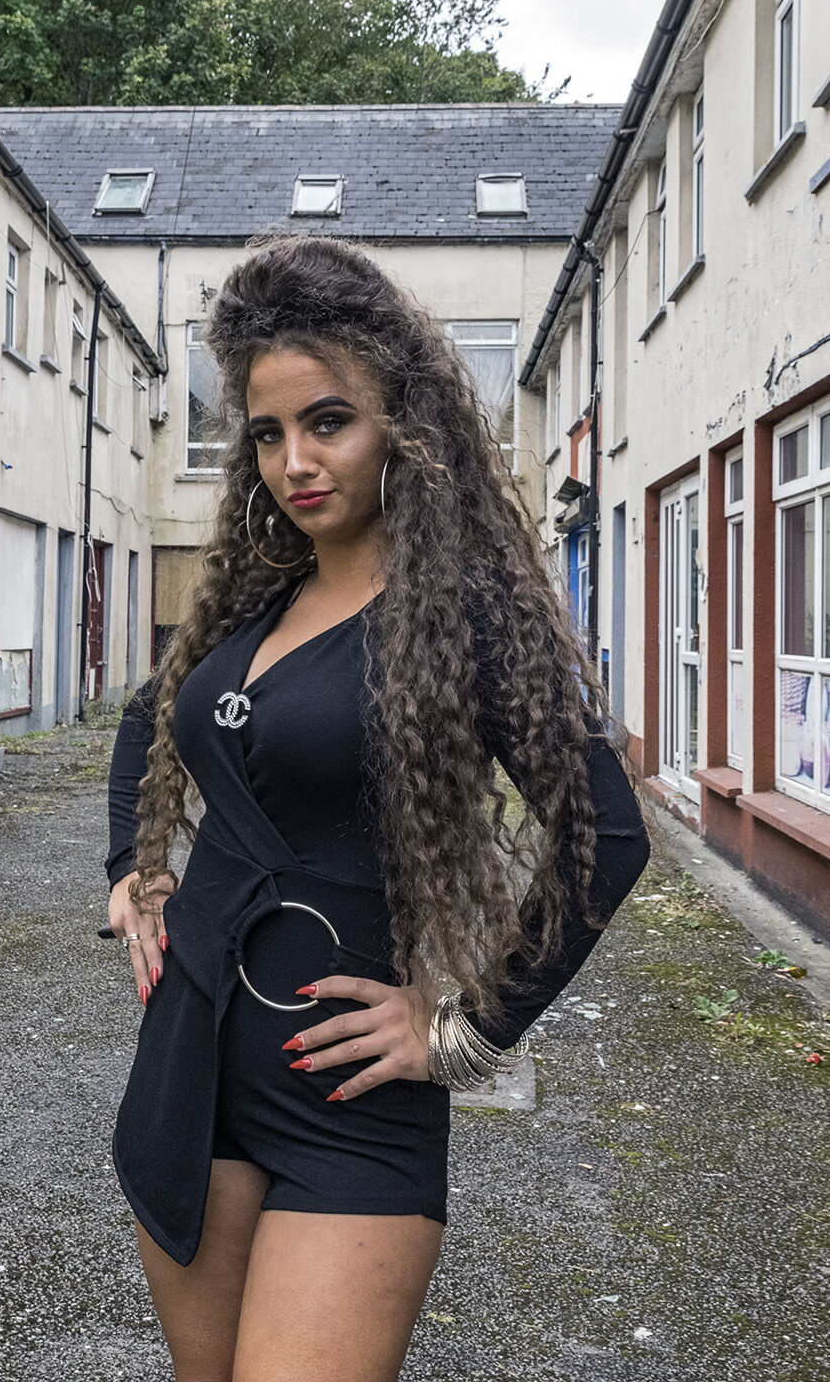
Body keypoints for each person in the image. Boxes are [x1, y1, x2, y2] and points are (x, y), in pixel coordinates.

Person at [105, 235, 652, 1382]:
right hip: (185, 1074)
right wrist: (133, 869)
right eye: (267, 432)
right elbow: (151, 717)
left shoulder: (465, 611)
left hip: (345, 1106)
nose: (294, 462)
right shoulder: (259, 596)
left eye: (327, 421)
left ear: (400, 419)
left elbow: (604, 836)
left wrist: (463, 1029)